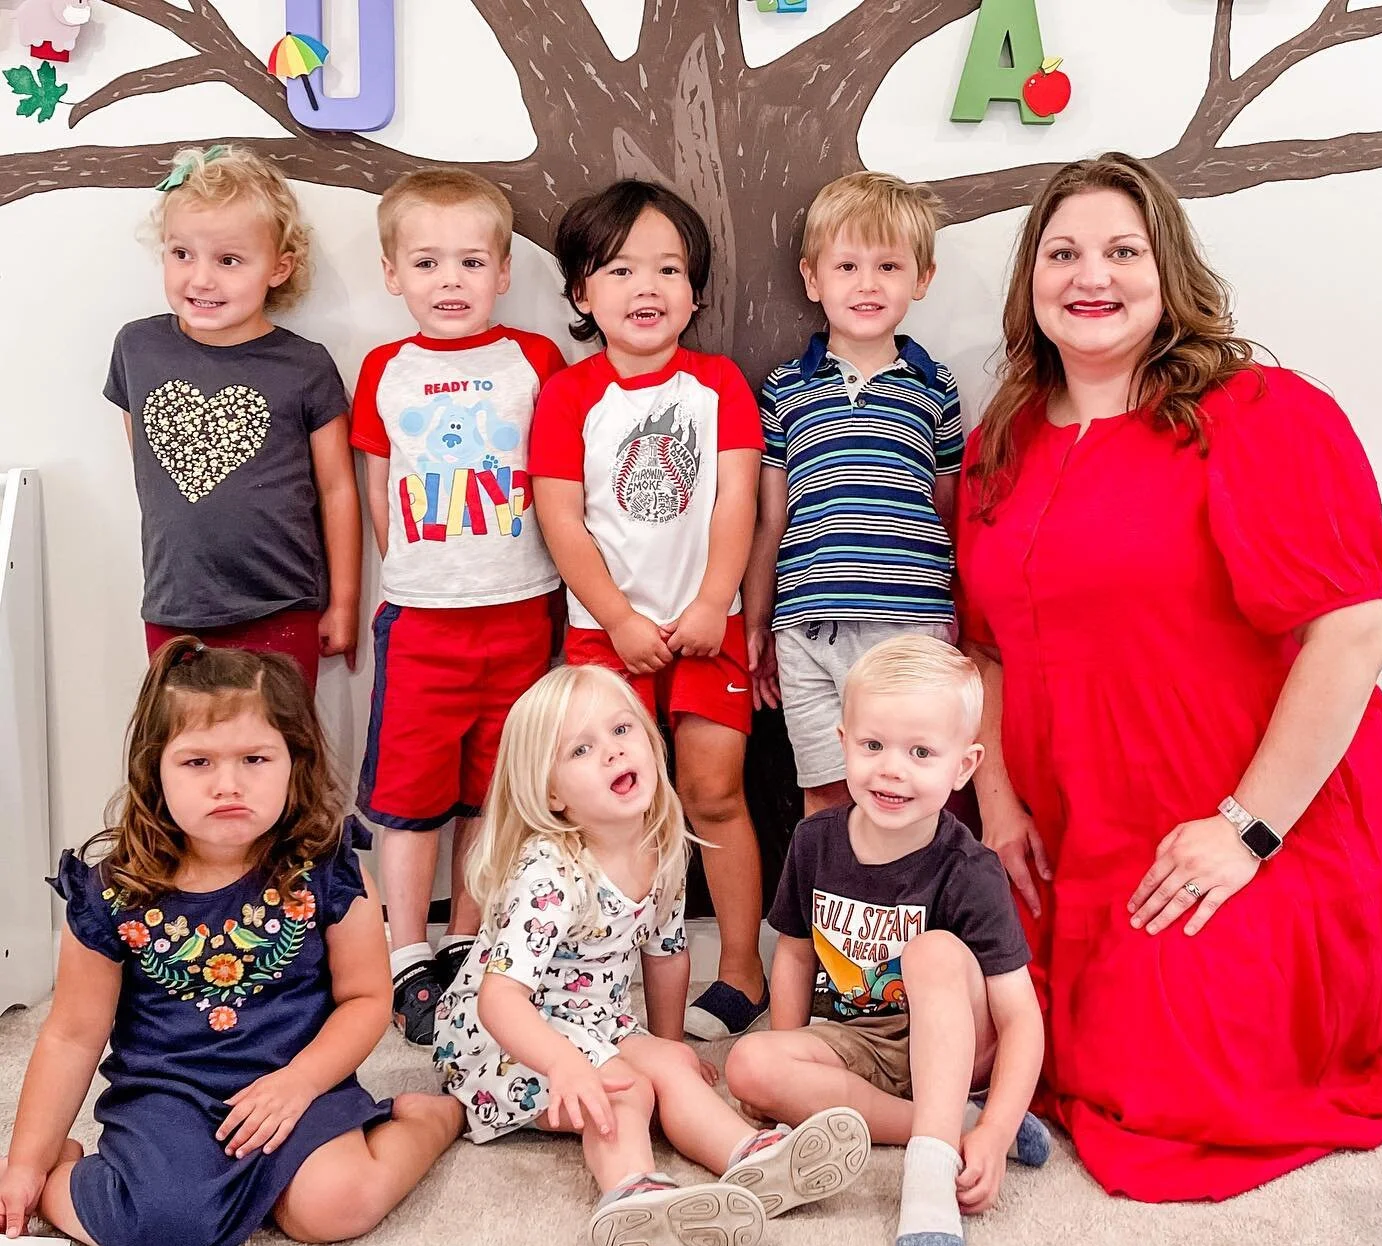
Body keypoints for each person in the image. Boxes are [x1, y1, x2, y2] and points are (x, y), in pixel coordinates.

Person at [952, 151, 1382, 1202]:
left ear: (1168, 270)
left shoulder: (1261, 415)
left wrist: (1246, 831)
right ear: (1030, 280)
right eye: (1065, 252)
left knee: (1169, 1094)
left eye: (1124, 251)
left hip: (1249, 831)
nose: (1094, 276)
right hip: (1069, 841)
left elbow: (1352, 638)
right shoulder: (1004, 443)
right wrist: (997, 810)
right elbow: (985, 647)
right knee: (976, 1033)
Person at [0, 639, 463, 1246]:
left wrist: (299, 1083)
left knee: (335, 1205)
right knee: (166, 1229)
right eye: (197, 763)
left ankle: (431, 1122)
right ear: (154, 769)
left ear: (293, 763)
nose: (228, 785)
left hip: (301, 1080)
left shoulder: (324, 870)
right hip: (170, 1094)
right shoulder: (114, 892)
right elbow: (71, 1034)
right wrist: (28, 1163)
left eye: (254, 758)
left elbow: (367, 999)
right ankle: (70, 1173)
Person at [432, 664, 869, 1246]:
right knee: (626, 1091)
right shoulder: (550, 872)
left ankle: (752, 1158)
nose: (613, 753)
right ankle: (630, 1192)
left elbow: (666, 957)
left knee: (672, 1070)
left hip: (595, 1023)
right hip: (503, 1042)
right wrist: (563, 1064)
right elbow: (499, 998)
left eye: (621, 730)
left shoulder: (660, 843)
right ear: (552, 794)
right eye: (582, 749)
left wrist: (670, 1047)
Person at [530, 180, 770, 1041]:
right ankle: (599, 976)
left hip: (709, 628)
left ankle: (740, 965)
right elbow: (561, 518)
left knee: (712, 790)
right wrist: (620, 621)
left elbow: (736, 502)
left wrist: (713, 602)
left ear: (695, 291)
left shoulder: (719, 385)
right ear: (581, 293)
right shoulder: (568, 394)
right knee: (604, 805)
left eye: (670, 269)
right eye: (622, 268)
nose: (648, 287)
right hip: (604, 634)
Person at [726, 636, 1049, 1246]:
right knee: (749, 1064)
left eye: (921, 752)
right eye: (873, 745)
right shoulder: (815, 841)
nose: (892, 769)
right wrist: (787, 1051)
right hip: (861, 1045)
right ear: (843, 743)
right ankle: (953, 1125)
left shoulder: (969, 868)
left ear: (964, 766)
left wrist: (1004, 1116)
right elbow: (793, 953)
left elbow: (1019, 1019)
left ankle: (930, 1168)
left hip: (955, 1041)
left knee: (928, 952)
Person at [350, 168, 569, 1045]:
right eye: (428, 261)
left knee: (492, 786)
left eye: (471, 261)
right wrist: (407, 570)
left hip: (522, 609)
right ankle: (409, 953)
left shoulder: (535, 360)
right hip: (423, 618)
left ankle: (468, 941)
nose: (450, 280)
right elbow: (376, 487)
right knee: (409, 794)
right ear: (392, 273)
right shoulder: (383, 370)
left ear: (504, 271)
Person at [742, 172, 963, 816]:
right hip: (806, 629)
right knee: (827, 793)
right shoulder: (784, 388)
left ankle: (914, 916)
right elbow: (771, 520)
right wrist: (756, 624)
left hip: (911, 627)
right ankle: (828, 919)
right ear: (813, 279)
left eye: (888, 265)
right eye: (847, 265)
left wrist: (963, 620)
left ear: (921, 279)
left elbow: (949, 513)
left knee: (913, 793)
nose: (867, 284)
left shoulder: (936, 387)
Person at [105, 145, 362, 690]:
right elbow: (146, 466)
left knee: (281, 756)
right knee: (187, 750)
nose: (201, 279)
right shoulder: (137, 348)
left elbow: (339, 489)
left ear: (279, 267)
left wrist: (343, 604)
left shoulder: (305, 365)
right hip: (175, 608)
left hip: (283, 605)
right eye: (181, 253)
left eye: (228, 260)